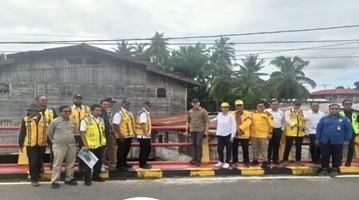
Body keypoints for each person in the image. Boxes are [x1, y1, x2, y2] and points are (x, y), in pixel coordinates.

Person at [316, 104, 352, 177]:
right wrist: (317, 138)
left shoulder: (345, 119)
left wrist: (347, 140)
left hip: (338, 141)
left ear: (339, 110)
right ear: (329, 110)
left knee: (336, 156)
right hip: (325, 140)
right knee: (324, 156)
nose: (334, 110)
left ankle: (334, 170)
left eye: (336, 109)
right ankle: (324, 170)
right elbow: (319, 129)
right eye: (332, 109)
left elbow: (349, 130)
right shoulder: (324, 119)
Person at [47, 105, 77, 189]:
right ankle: (55, 181)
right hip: (59, 145)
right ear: (60, 112)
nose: (67, 113)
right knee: (57, 164)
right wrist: (56, 140)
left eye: (69, 111)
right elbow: (49, 133)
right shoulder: (55, 122)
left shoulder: (73, 121)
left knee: (70, 163)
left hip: (71, 145)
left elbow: (74, 131)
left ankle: (69, 178)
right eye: (65, 111)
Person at [18, 104, 47, 187]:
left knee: (39, 161)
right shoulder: (26, 119)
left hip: (42, 144)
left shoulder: (45, 119)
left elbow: (48, 131)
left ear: (38, 111)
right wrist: (20, 144)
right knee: (33, 162)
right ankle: (34, 179)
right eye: (29, 111)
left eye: (32, 111)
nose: (30, 112)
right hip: (31, 144)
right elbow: (22, 132)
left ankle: (37, 175)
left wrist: (50, 142)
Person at [80, 104, 107, 186]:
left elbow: (103, 131)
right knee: (89, 163)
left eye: (100, 110)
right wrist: (85, 145)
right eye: (96, 110)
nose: (99, 112)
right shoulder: (85, 120)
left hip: (100, 144)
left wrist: (104, 141)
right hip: (90, 145)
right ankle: (87, 179)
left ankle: (96, 176)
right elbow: (82, 133)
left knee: (99, 162)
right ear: (91, 111)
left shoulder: (101, 120)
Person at [35, 95, 57, 170]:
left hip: (51, 134)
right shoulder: (33, 111)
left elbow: (56, 122)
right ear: (37, 101)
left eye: (45, 100)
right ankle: (40, 168)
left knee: (54, 151)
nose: (45, 102)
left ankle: (53, 167)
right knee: (40, 152)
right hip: (39, 134)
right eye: (42, 100)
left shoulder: (51, 110)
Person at [185, 98, 209, 167]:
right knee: (194, 145)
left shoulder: (203, 111)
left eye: (196, 102)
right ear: (192, 104)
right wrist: (186, 129)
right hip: (192, 130)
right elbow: (187, 121)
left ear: (199, 103)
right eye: (194, 103)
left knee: (198, 144)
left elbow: (206, 121)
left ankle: (199, 160)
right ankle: (194, 158)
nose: (195, 104)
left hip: (200, 130)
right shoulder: (190, 111)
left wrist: (206, 131)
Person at [212, 102, 236, 169]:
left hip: (228, 134)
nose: (225, 109)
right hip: (220, 134)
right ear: (221, 109)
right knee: (220, 149)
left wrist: (232, 136)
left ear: (228, 108)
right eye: (223, 108)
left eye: (226, 108)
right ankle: (221, 161)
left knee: (228, 149)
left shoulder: (231, 116)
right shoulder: (219, 115)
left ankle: (227, 162)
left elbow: (234, 127)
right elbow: (214, 120)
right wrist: (207, 121)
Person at [113, 99, 135, 171]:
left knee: (126, 150)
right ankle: (119, 165)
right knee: (121, 150)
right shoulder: (119, 114)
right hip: (122, 136)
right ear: (122, 105)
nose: (127, 105)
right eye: (126, 104)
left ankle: (124, 163)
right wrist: (120, 134)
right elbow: (115, 125)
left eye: (128, 104)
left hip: (129, 135)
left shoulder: (129, 113)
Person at [250, 101, 273, 168]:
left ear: (264, 107)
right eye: (259, 106)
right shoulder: (253, 114)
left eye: (262, 106)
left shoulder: (268, 114)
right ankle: (255, 160)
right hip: (254, 135)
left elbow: (271, 125)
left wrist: (270, 133)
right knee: (255, 149)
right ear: (256, 107)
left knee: (264, 149)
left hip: (264, 135)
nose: (260, 107)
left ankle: (265, 161)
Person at [70, 94, 89, 171]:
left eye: (79, 99)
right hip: (72, 134)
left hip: (83, 134)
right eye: (76, 99)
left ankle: (83, 167)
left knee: (84, 150)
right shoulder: (70, 109)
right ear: (73, 100)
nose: (78, 100)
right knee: (71, 151)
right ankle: (71, 168)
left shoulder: (87, 109)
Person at [282, 100, 305, 166]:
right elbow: (287, 120)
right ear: (293, 104)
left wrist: (301, 115)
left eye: (299, 105)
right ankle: (285, 160)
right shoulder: (288, 111)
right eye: (296, 105)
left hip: (300, 133)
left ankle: (298, 160)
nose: (297, 106)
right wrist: (296, 124)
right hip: (291, 132)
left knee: (299, 147)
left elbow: (306, 118)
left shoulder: (302, 112)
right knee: (288, 147)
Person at [231, 99, 252, 168]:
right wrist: (235, 130)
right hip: (235, 135)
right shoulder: (232, 113)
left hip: (244, 134)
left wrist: (239, 128)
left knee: (245, 149)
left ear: (243, 106)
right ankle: (235, 161)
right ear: (235, 106)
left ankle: (246, 162)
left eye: (240, 105)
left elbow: (248, 122)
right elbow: (230, 122)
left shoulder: (247, 113)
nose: (239, 107)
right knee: (234, 149)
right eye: (237, 106)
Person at [339, 99, 359, 166]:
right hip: (341, 132)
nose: (348, 105)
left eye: (350, 104)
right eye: (346, 104)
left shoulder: (356, 112)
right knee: (339, 148)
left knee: (351, 148)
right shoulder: (339, 112)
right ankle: (339, 162)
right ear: (343, 105)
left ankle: (348, 162)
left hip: (352, 132)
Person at [135, 100, 153, 169]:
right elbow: (142, 124)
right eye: (148, 106)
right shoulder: (143, 113)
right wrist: (145, 132)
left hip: (144, 135)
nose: (149, 107)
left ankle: (144, 162)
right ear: (145, 105)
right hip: (143, 135)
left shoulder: (145, 113)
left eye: (150, 106)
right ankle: (142, 164)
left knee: (147, 149)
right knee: (144, 150)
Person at [266, 99, 284, 165]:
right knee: (269, 145)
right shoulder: (266, 112)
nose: (275, 105)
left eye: (277, 104)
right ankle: (268, 159)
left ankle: (275, 159)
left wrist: (282, 129)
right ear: (270, 105)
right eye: (273, 104)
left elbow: (283, 122)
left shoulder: (281, 112)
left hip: (278, 130)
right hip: (269, 130)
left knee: (276, 146)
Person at [103, 97, 117, 167]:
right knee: (105, 147)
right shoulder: (105, 111)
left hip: (110, 131)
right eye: (111, 102)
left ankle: (112, 162)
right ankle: (104, 162)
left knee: (111, 147)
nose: (112, 104)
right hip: (105, 131)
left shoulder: (110, 110)